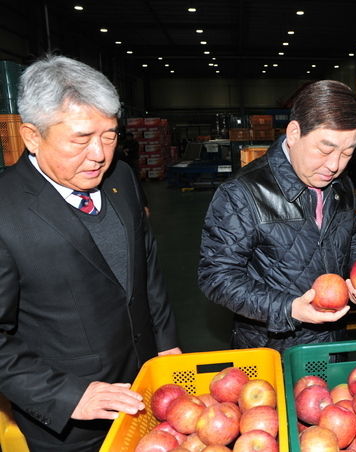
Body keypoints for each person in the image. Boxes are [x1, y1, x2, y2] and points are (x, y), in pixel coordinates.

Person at [0, 55, 180, 451]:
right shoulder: (5, 211)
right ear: (32, 136)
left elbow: (146, 266)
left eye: (110, 136)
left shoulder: (122, 179)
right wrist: (66, 395)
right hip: (73, 424)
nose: (99, 154)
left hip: (147, 392)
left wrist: (165, 343)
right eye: (81, 139)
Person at [197, 80, 356, 352]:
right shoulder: (242, 193)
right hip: (272, 348)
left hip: (333, 342)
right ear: (294, 133)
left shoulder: (341, 185)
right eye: (325, 149)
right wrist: (288, 308)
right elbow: (217, 276)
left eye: (347, 153)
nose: (334, 165)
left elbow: (354, 240)